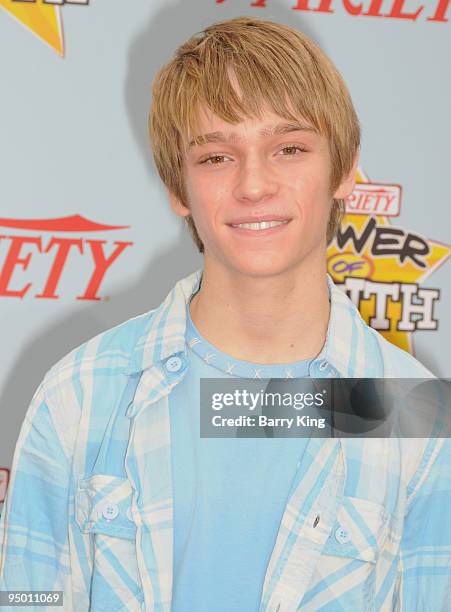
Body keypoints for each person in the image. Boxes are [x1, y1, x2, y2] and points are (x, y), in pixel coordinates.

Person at [0, 16, 450, 612]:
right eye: (216, 157)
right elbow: (25, 600)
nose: (254, 184)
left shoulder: (410, 411)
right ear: (177, 186)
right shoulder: (83, 395)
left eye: (289, 148)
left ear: (344, 171)